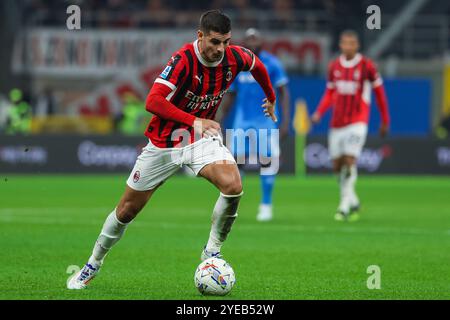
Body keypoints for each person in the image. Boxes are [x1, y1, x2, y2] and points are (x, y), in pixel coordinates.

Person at [67, 10, 277, 290]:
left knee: (233, 185)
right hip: (165, 143)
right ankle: (92, 264)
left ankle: (212, 251)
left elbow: (257, 65)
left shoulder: (235, 56)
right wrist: (194, 120)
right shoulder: (183, 61)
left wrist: (271, 98)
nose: (221, 49)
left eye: (226, 42)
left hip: (200, 139)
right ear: (200, 36)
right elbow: (153, 101)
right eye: (215, 42)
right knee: (126, 211)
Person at [311, 30, 390, 222]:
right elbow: (330, 93)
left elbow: (379, 94)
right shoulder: (334, 66)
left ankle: (344, 206)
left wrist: (385, 120)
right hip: (337, 123)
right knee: (337, 167)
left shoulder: (367, 66)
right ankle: (353, 200)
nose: (348, 46)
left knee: (349, 160)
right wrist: (319, 112)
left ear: (357, 46)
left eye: (351, 43)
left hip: (357, 121)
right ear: (340, 45)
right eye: (345, 43)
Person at [220, 28, 290, 222]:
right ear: (244, 42)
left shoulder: (272, 64)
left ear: (261, 42)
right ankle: (233, 206)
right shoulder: (238, 64)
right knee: (237, 164)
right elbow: (231, 95)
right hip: (241, 123)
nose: (252, 43)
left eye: (255, 39)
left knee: (267, 163)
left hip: (265, 123)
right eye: (248, 39)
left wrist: (285, 121)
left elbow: (284, 93)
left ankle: (266, 205)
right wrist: (220, 119)